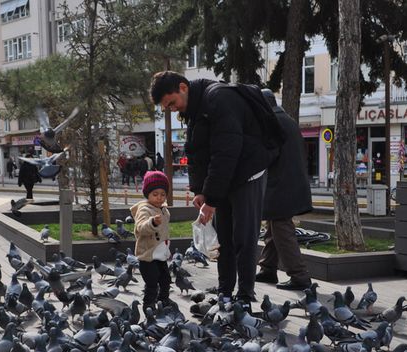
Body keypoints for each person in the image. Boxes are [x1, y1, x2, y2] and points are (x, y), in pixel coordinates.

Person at [150, 71, 277, 309]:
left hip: (248, 173)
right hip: (227, 177)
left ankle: (245, 296)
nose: (173, 109)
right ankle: (225, 292)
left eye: (172, 103)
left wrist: (212, 199)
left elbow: (225, 154)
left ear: (183, 87)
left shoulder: (218, 99)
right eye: (168, 107)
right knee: (223, 239)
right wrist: (200, 191)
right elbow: (198, 152)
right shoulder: (195, 109)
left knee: (244, 238)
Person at [255, 89, 312, 290]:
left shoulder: (272, 123)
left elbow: (264, 156)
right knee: (274, 227)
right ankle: (267, 269)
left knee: (282, 230)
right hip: (289, 183)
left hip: (280, 186)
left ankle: (300, 276)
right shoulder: (287, 120)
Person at [130, 171, 172, 311]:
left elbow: (165, 233)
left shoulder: (164, 210)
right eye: (155, 194)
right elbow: (140, 228)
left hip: (160, 254)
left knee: (166, 279)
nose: (159, 198)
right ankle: (149, 305)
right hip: (147, 256)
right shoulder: (144, 210)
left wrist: (167, 250)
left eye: (163, 194)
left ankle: (163, 301)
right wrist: (152, 223)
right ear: (147, 194)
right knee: (152, 282)